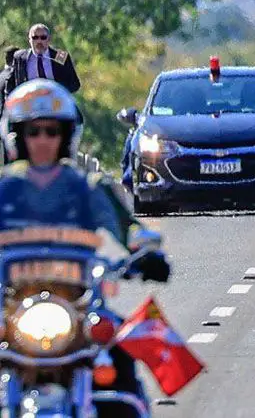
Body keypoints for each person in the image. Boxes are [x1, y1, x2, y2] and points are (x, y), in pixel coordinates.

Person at [0, 79, 170, 414]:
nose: (43, 141)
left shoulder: (89, 187)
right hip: (11, 308)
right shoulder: (5, 187)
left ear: (66, 136)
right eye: (34, 132)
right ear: (18, 136)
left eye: (52, 131)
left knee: (120, 361)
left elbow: (129, 229)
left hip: (79, 307)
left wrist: (145, 252)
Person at [6, 24, 81, 95]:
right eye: (35, 37)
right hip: (29, 106)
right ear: (29, 40)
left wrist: (56, 90)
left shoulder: (60, 57)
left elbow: (74, 85)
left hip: (55, 104)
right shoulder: (19, 57)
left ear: (48, 39)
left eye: (43, 37)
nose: (39, 41)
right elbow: (10, 86)